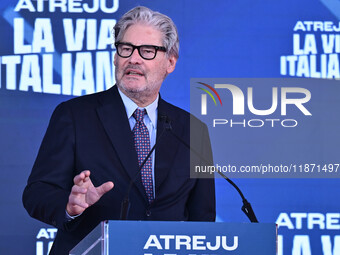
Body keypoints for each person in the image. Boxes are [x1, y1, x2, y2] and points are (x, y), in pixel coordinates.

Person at [23, 6, 215, 254]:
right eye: (126, 48)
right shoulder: (74, 115)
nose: (133, 58)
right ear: (115, 57)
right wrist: (69, 206)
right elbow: (37, 193)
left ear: (170, 62)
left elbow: (203, 218)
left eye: (147, 51)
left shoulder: (192, 130)